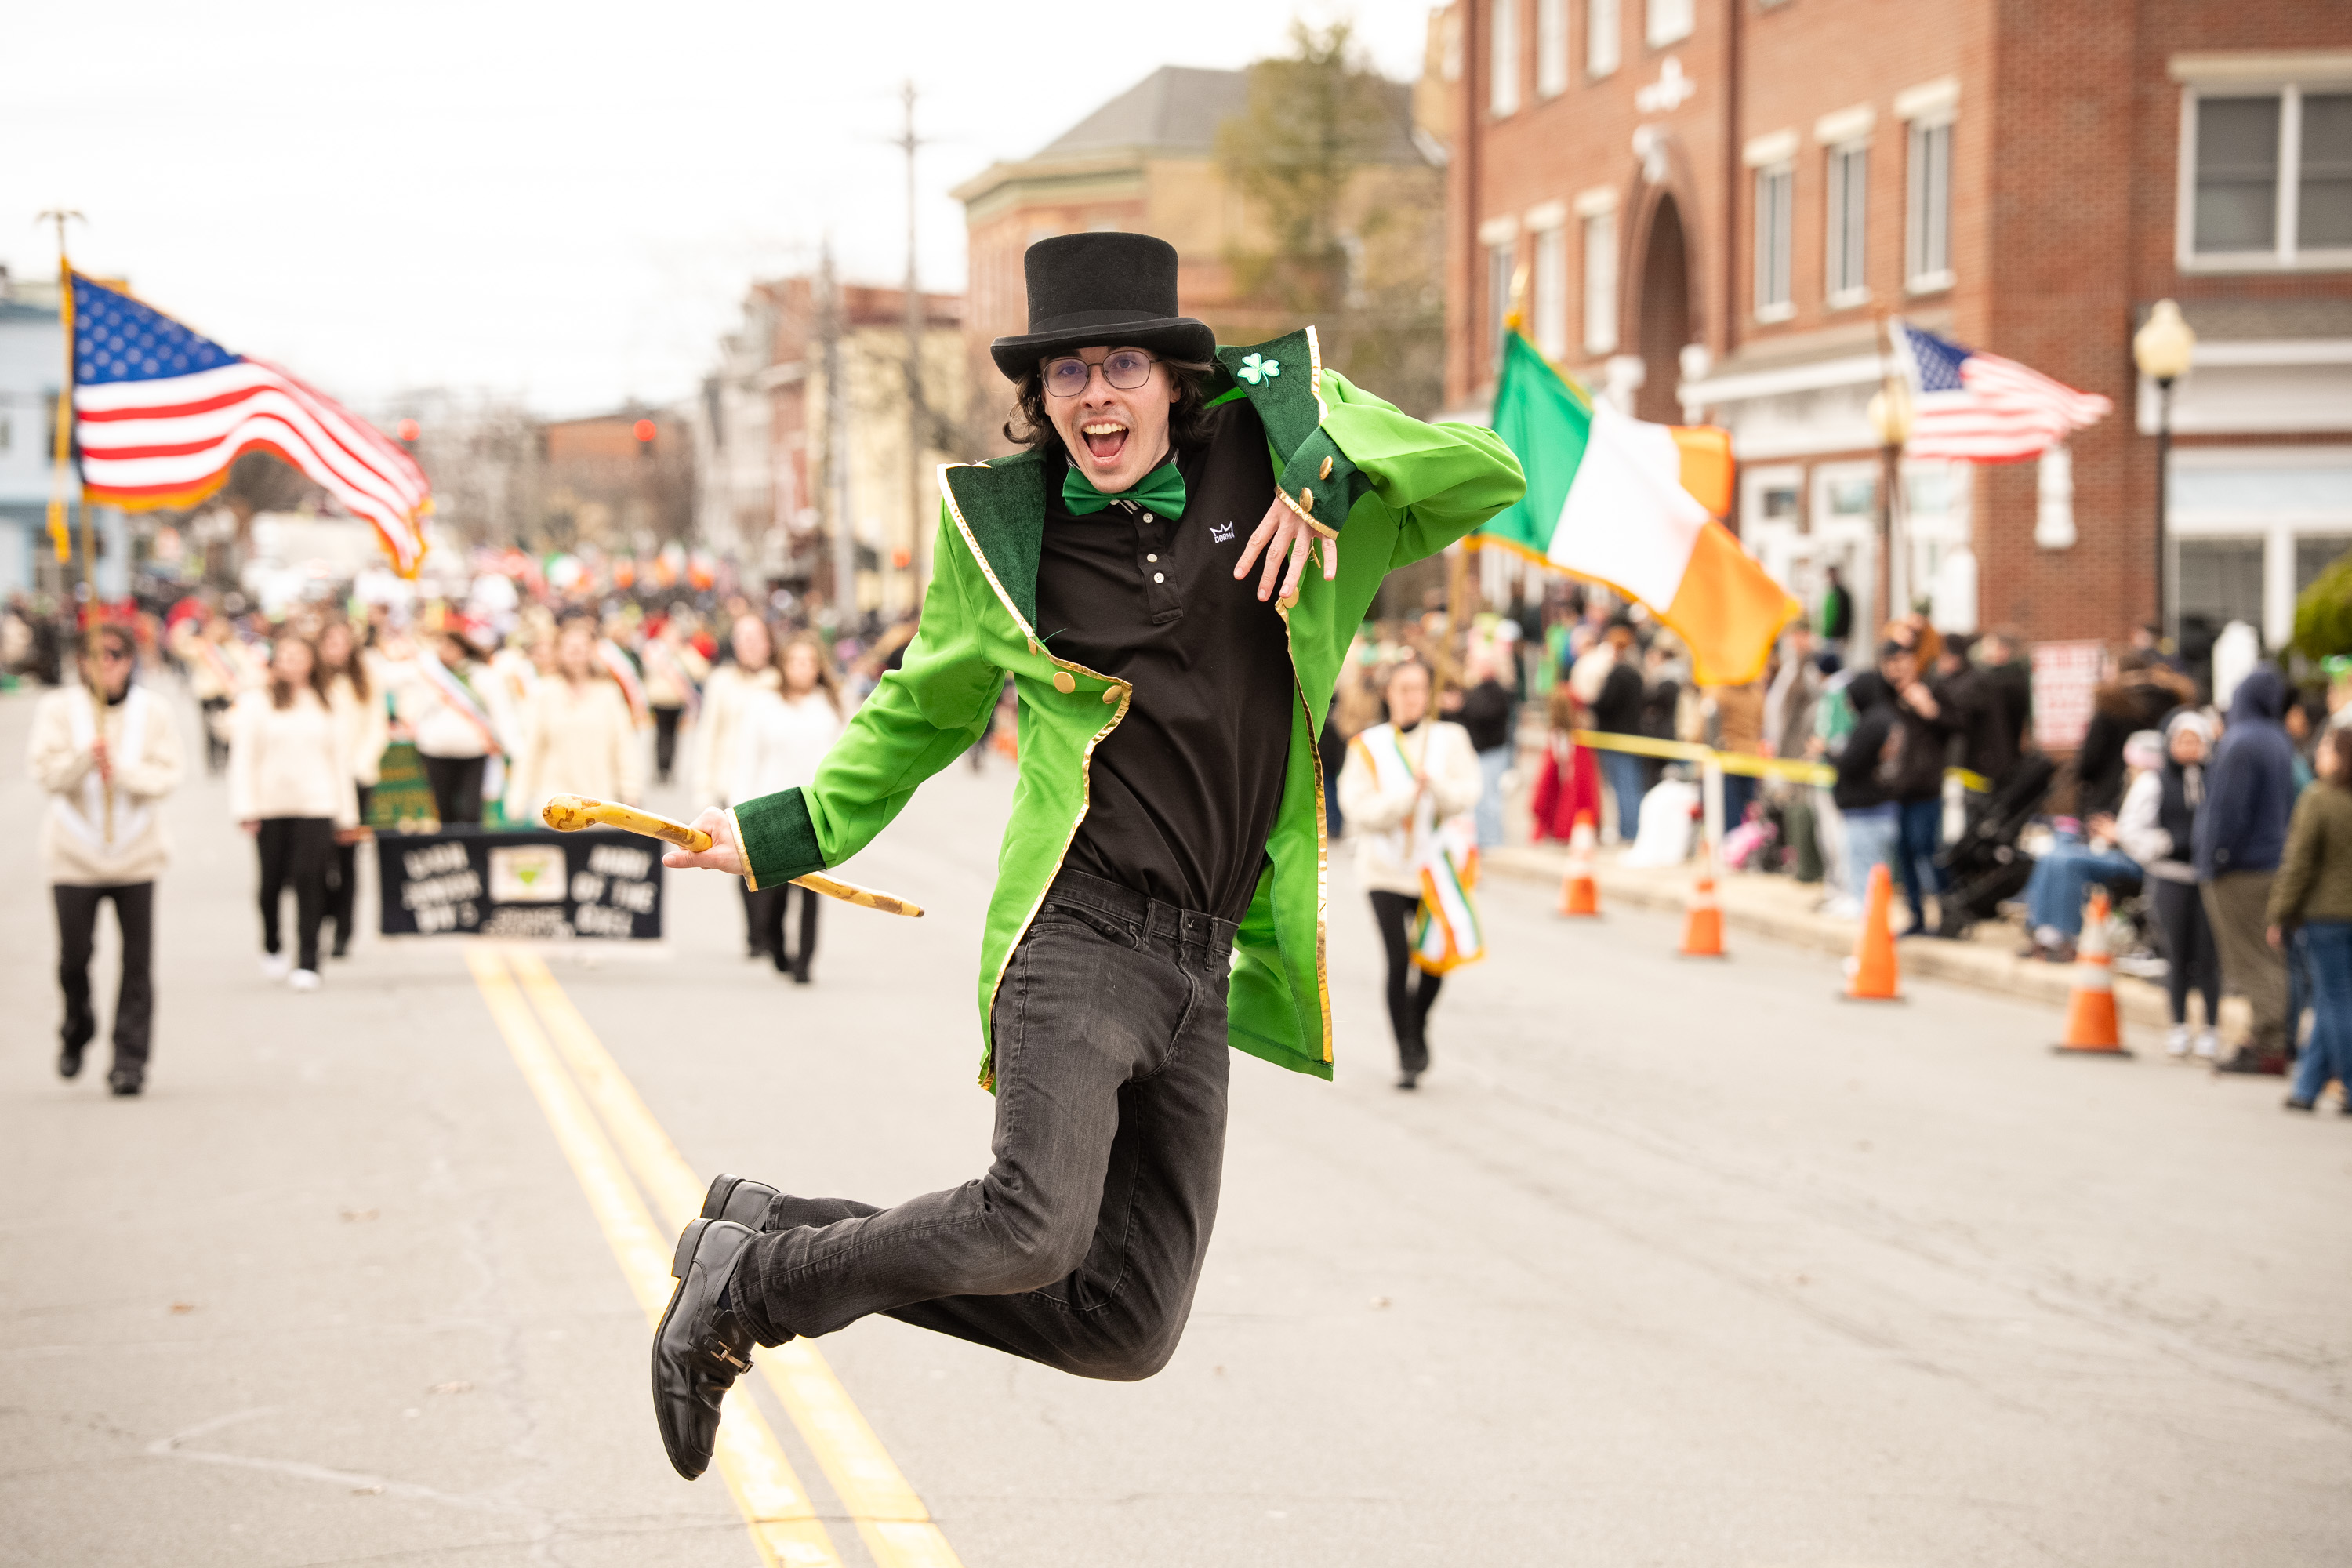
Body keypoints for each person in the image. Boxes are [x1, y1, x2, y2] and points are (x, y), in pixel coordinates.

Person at [646, 230, 1523, 1481]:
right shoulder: (1006, 537)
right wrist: (781, 830)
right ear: (1039, 397)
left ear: (1173, 379)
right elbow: (921, 711)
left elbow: (1487, 474)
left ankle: (762, 1239)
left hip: (1201, 964)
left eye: (1121, 366)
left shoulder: (1279, 457)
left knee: (1126, 1323)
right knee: (1031, 1226)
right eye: (1066, 373)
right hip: (1083, 930)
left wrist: (1326, 466)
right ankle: (752, 1289)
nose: (1095, 396)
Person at [28, 625, 184, 1095]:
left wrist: (123, 772)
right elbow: (47, 776)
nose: (106, 665)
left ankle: (129, 1060)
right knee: (74, 958)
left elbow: (167, 776)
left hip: (136, 855)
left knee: (137, 962)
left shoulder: (152, 711)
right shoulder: (59, 709)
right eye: (95, 655)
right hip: (74, 855)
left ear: (130, 661)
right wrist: (84, 759)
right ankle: (77, 1026)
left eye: (116, 655)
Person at [1337, 657, 1483, 1089]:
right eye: (1403, 689)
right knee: (1398, 958)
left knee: (1435, 959)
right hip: (1384, 869)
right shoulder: (1368, 745)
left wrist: (1435, 786)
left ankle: (1418, 1022)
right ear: (1389, 693)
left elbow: (1467, 793)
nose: (1412, 697)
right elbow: (1358, 808)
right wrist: (1405, 796)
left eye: (1419, 689)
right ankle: (1406, 1050)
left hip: (1435, 867)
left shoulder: (1449, 739)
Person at [230, 634, 357, 991]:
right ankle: (272, 943)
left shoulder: (327, 700)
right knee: (270, 883)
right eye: (284, 656)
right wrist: (245, 808)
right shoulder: (257, 702)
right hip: (270, 804)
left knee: (310, 879)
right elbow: (244, 758)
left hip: (317, 802)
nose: (291, 663)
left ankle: (308, 960)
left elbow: (339, 760)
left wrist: (347, 815)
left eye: (299, 656)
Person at [2198, 664, 2299, 1075]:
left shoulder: (2240, 742)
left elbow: (2228, 809)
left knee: (2250, 958)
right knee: (2271, 955)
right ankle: (2274, 1038)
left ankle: (2267, 1043)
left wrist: (2216, 857)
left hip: (2240, 868)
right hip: (2271, 861)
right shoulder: (2278, 738)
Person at [729, 633, 845, 983]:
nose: (802, 669)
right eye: (795, 662)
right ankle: (777, 948)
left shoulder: (829, 707)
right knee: (774, 892)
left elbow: (842, 760)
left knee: (812, 889)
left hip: (814, 810)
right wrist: (739, 811)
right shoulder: (764, 705)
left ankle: (805, 961)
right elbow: (747, 759)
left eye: (809, 662)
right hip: (772, 807)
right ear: (783, 666)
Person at [2118, 714, 2220, 1057]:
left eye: (2196, 741)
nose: (2189, 748)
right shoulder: (2155, 782)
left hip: (2206, 880)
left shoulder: (2215, 779)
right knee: (2177, 954)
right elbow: (2130, 829)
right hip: (2170, 876)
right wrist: (2163, 843)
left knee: (2208, 957)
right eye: (2183, 741)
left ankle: (2211, 1027)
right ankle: (2178, 1025)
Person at [2271, 728, 2352, 1112]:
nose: (2318, 754)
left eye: (2325, 748)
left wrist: (2280, 912)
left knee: (2335, 999)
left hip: (2327, 913)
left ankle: (2348, 1082)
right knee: (2329, 998)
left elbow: (2298, 863)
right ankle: (2307, 1086)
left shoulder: (2319, 798)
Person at [510, 617, 646, 820]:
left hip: (598, 806)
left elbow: (624, 746)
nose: (577, 654)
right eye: (571, 648)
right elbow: (531, 750)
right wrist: (518, 799)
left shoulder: (608, 693)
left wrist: (631, 791)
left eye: (583, 648)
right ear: (558, 651)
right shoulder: (544, 693)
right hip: (554, 807)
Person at [318, 619, 385, 960]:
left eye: (342, 642)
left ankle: (344, 930)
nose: (337, 650)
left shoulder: (365, 680)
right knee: (317, 857)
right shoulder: (312, 681)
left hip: (356, 777)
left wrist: (360, 765)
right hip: (318, 780)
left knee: (347, 856)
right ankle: (320, 916)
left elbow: (376, 727)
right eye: (330, 642)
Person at [406, 622, 503, 828]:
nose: (444, 651)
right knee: (445, 811)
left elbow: (499, 710)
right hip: (436, 749)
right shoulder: (427, 674)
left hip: (473, 750)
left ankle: (473, 846)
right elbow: (411, 706)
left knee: (472, 812)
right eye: (441, 646)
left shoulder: (480, 674)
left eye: (450, 646)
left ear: (462, 648)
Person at [2078, 650, 2194, 816]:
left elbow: (2089, 761)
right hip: (2168, 797)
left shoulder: (2110, 703)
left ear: (2117, 672)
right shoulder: (2174, 700)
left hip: (2113, 798)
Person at [1584, 624, 1645, 840]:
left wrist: (1589, 703)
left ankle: (1628, 831)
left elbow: (1604, 704)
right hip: (1632, 735)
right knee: (1631, 785)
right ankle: (1631, 829)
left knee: (1622, 787)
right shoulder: (1636, 674)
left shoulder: (1617, 675)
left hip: (1615, 737)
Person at [1457, 648, 1517, 849]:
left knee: (1490, 799)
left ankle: (1492, 840)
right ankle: (1482, 838)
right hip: (1479, 750)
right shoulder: (1477, 690)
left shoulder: (1497, 691)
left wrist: (1462, 707)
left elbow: (1483, 714)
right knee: (1479, 799)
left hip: (1491, 751)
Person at [643, 612, 709, 786]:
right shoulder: (655, 650)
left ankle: (667, 769)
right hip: (660, 699)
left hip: (676, 700)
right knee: (662, 734)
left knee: (671, 736)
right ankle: (661, 768)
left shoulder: (683, 651)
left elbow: (701, 669)